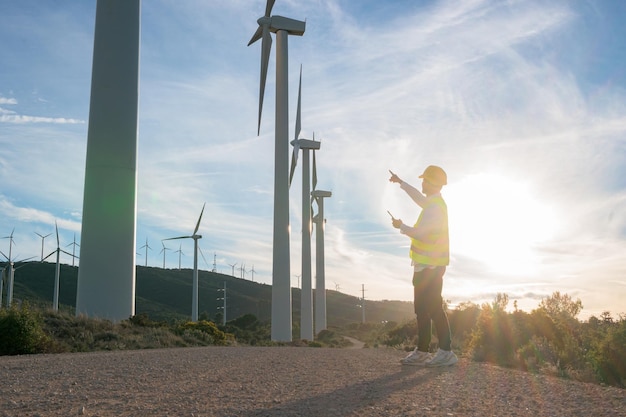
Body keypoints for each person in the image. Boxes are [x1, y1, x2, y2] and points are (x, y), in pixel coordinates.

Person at [389, 165, 458, 367]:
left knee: (434, 307)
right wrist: (401, 182)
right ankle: (423, 350)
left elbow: (422, 234)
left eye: (424, 180)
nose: (422, 183)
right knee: (421, 309)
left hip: (432, 266)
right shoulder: (432, 203)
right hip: (423, 265)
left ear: (431, 182)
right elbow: (418, 197)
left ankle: (446, 351)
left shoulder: (435, 207)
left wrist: (400, 226)